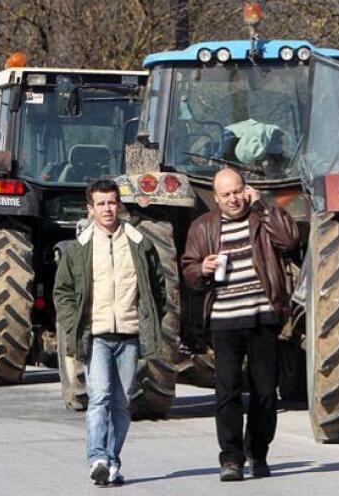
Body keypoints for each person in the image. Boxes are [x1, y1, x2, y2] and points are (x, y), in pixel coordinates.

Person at [180, 168, 299, 481]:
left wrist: (262, 207)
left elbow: (289, 240)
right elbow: (188, 270)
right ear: (216, 198)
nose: (233, 199)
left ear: (246, 190)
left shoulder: (262, 218)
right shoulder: (203, 226)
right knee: (227, 392)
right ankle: (230, 459)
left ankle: (257, 453)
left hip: (262, 316)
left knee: (264, 393)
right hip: (224, 320)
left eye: (237, 192)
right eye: (226, 195)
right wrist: (202, 268)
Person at [53, 178, 165, 487]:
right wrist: (72, 319)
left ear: (120, 205)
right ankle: (97, 458)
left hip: (129, 334)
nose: (107, 208)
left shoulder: (140, 244)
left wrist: (152, 318)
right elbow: (61, 291)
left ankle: (113, 461)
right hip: (98, 335)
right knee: (99, 397)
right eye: (101, 203)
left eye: (112, 202)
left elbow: (158, 287)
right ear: (90, 209)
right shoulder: (80, 249)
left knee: (123, 402)